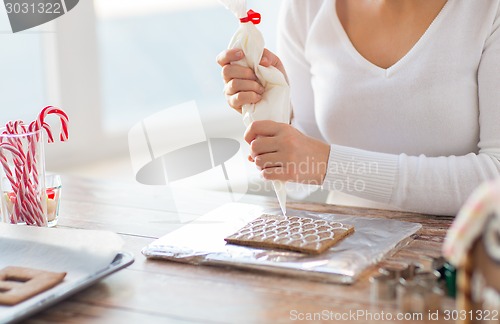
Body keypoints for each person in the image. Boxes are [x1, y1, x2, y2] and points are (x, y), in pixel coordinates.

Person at [217, 0, 500, 216]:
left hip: (466, 265)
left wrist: (328, 164)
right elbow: (300, 180)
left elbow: (495, 178)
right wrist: (272, 109)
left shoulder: (487, 10)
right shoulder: (306, 8)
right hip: (344, 252)